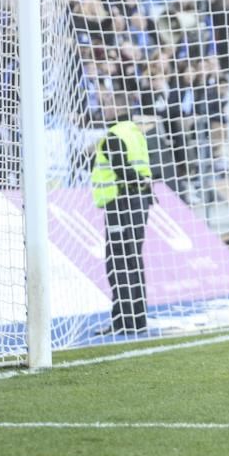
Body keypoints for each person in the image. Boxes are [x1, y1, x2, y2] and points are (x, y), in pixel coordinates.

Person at [92, 110, 154, 335]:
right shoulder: (135, 133)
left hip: (121, 203)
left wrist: (139, 181)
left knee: (118, 263)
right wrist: (144, 183)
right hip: (139, 202)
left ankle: (122, 322)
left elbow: (121, 169)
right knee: (133, 260)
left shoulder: (113, 136)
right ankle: (138, 320)